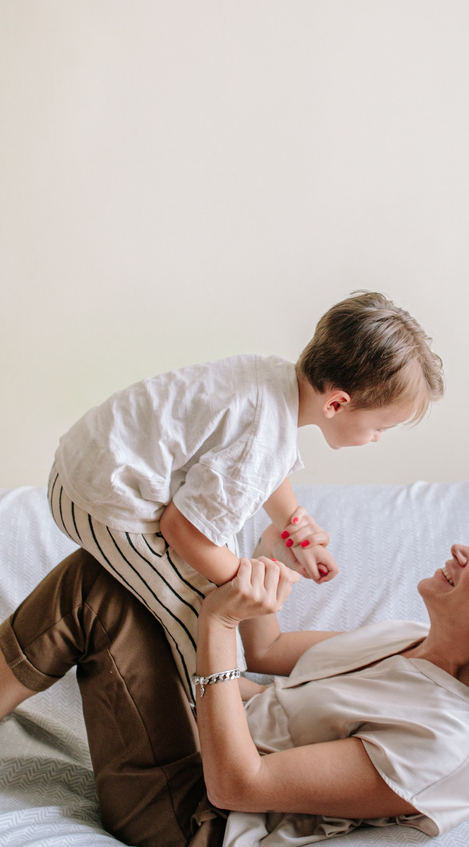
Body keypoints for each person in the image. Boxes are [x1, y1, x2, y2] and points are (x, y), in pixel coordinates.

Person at [0, 518, 469, 847]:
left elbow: (239, 787)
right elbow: (269, 653)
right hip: (207, 745)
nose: (462, 550)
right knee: (128, 571)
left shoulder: (442, 742)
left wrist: (215, 628)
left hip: (191, 819)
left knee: (94, 586)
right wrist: (273, 555)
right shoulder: (407, 640)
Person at [47, 292, 444, 699]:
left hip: (85, 464)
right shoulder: (262, 438)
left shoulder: (270, 380)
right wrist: (243, 584)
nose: (377, 437)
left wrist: (296, 527)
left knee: (220, 545)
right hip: (102, 499)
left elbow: (260, 469)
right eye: (381, 427)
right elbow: (181, 527)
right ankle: (234, 699)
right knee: (202, 608)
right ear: (337, 404)